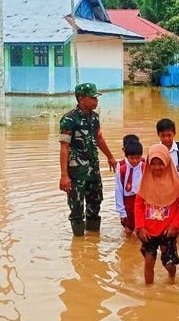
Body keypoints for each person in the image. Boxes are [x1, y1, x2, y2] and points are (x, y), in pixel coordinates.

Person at [59, 83, 117, 237]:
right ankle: (78, 245)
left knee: (96, 200)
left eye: (96, 98)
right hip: (77, 170)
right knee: (76, 205)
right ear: (81, 99)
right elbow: (64, 147)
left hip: (93, 167)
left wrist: (110, 157)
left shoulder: (94, 117)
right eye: (93, 98)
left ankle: (93, 241)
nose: (96, 101)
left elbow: (99, 139)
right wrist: (64, 175)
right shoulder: (69, 119)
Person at [135, 143, 179, 285]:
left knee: (168, 263)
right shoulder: (144, 183)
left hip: (167, 231)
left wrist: (175, 225)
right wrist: (140, 227)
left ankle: (172, 279)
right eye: (153, 163)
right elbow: (138, 205)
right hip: (148, 230)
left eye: (160, 163)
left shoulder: (176, 185)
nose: (157, 167)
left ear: (167, 163)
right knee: (149, 262)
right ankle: (148, 291)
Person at [115, 135, 145, 234]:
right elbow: (118, 189)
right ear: (126, 155)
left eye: (138, 158)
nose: (135, 161)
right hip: (128, 203)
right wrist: (121, 211)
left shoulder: (144, 166)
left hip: (142, 201)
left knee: (141, 229)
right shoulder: (122, 167)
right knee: (128, 230)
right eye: (132, 158)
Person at [156, 118, 179, 187]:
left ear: (174, 134)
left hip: (178, 186)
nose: (166, 138)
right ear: (158, 135)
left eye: (169, 135)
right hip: (161, 186)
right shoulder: (155, 151)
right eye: (163, 135)